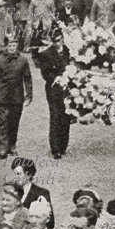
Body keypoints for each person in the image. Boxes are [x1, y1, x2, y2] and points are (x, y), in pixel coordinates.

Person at [0, 36, 32, 159]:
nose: (12, 48)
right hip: (3, 95)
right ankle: (2, 148)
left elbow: (27, 79)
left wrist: (29, 95)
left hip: (17, 96)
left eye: (14, 46)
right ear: (6, 46)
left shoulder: (23, 61)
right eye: (9, 46)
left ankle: (12, 145)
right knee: (3, 122)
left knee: (14, 122)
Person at [37, 27, 71, 159]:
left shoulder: (67, 50)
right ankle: (55, 148)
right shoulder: (47, 54)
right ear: (52, 41)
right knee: (56, 117)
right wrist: (55, 78)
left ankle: (63, 146)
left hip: (67, 88)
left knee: (66, 116)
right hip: (54, 89)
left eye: (60, 40)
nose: (58, 43)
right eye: (56, 41)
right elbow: (45, 73)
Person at [11, 157, 54, 227]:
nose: (15, 177)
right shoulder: (12, 192)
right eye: (14, 174)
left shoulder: (41, 193)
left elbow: (50, 222)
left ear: (28, 175)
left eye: (18, 174)